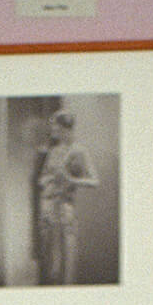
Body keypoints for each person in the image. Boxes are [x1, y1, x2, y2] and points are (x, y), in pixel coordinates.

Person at [32, 109, 99, 286]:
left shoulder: (79, 151)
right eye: (53, 128)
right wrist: (47, 180)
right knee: (48, 255)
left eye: (57, 128)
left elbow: (94, 181)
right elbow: (42, 178)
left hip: (64, 206)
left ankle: (67, 291)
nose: (54, 132)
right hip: (47, 206)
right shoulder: (54, 151)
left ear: (66, 129)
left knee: (66, 255)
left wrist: (70, 180)